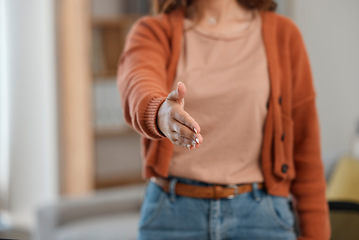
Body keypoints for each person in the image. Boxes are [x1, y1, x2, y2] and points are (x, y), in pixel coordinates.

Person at [117, 0, 331, 239]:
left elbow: (306, 149)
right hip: (172, 216)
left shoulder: (284, 34)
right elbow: (137, 83)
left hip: (262, 217)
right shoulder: (153, 31)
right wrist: (160, 113)